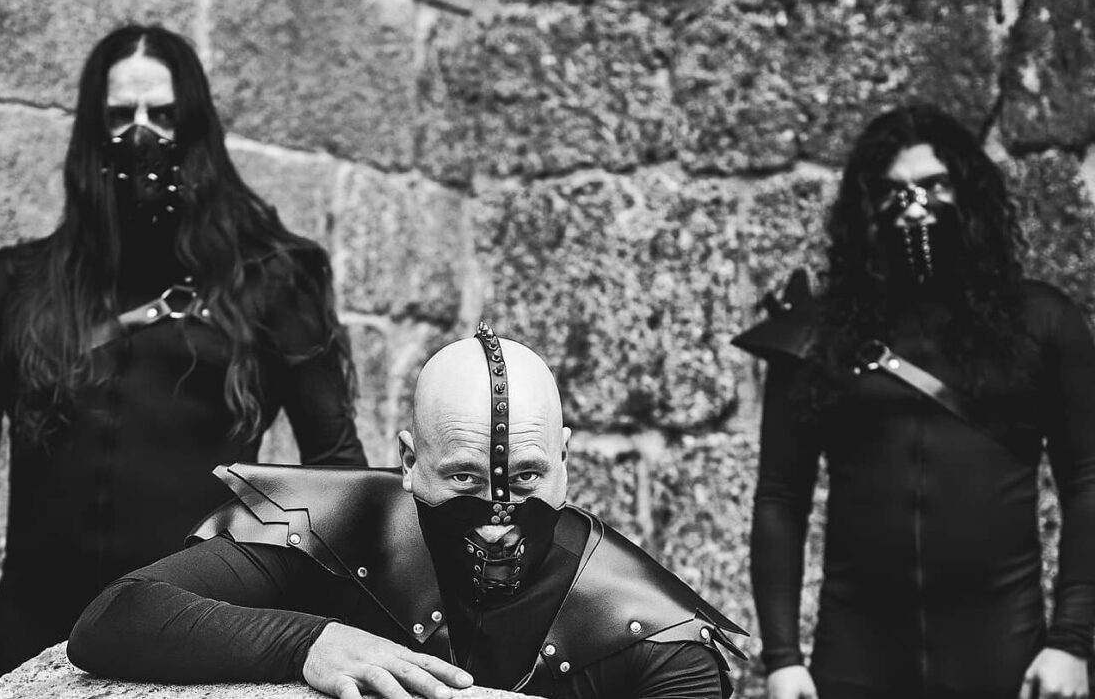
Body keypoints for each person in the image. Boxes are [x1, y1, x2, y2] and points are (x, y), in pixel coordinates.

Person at [0, 24, 368, 699]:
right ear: (91, 130)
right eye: (119, 115)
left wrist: (327, 636)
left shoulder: (275, 281)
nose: (141, 134)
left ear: (195, 126)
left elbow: (337, 473)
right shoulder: (11, 286)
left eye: (162, 113)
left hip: (203, 650)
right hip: (31, 648)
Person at [67, 323, 747, 698]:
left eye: (526, 477)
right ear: (408, 459)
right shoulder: (332, 527)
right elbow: (115, 617)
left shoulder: (657, 637)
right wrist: (309, 642)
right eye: (464, 478)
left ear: (565, 460)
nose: (497, 522)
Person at [735, 104, 1095, 699]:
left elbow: (1086, 480)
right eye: (892, 191)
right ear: (866, 209)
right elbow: (780, 496)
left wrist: (1072, 640)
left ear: (969, 194)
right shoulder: (818, 336)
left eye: (934, 184)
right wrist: (782, 659)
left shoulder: (1042, 321)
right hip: (856, 658)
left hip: (1004, 654)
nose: (915, 206)